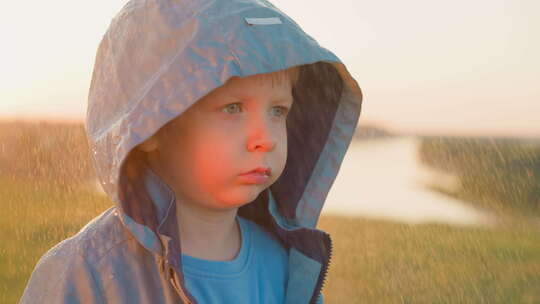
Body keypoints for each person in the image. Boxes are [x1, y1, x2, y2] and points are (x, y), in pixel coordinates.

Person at [19, 0, 363, 303]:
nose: (266, 138)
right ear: (152, 127)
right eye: (232, 108)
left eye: (278, 111)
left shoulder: (286, 268)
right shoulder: (87, 272)